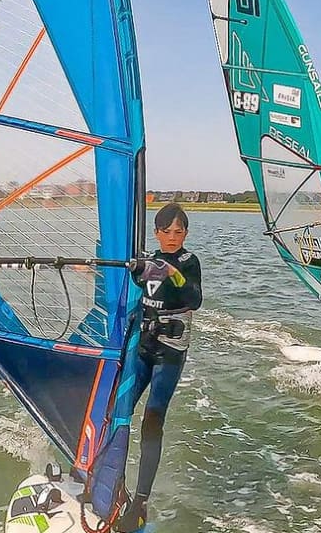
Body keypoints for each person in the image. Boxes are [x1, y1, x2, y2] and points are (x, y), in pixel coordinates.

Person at [117, 203, 202, 531]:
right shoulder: (150, 260)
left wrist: (171, 272)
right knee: (116, 409)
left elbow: (194, 299)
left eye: (178, 232)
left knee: (152, 420)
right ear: (156, 233)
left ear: (185, 234)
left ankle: (140, 502)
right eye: (165, 232)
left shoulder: (188, 262)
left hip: (170, 353)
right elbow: (136, 280)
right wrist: (133, 267)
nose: (171, 237)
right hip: (143, 349)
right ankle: (107, 478)